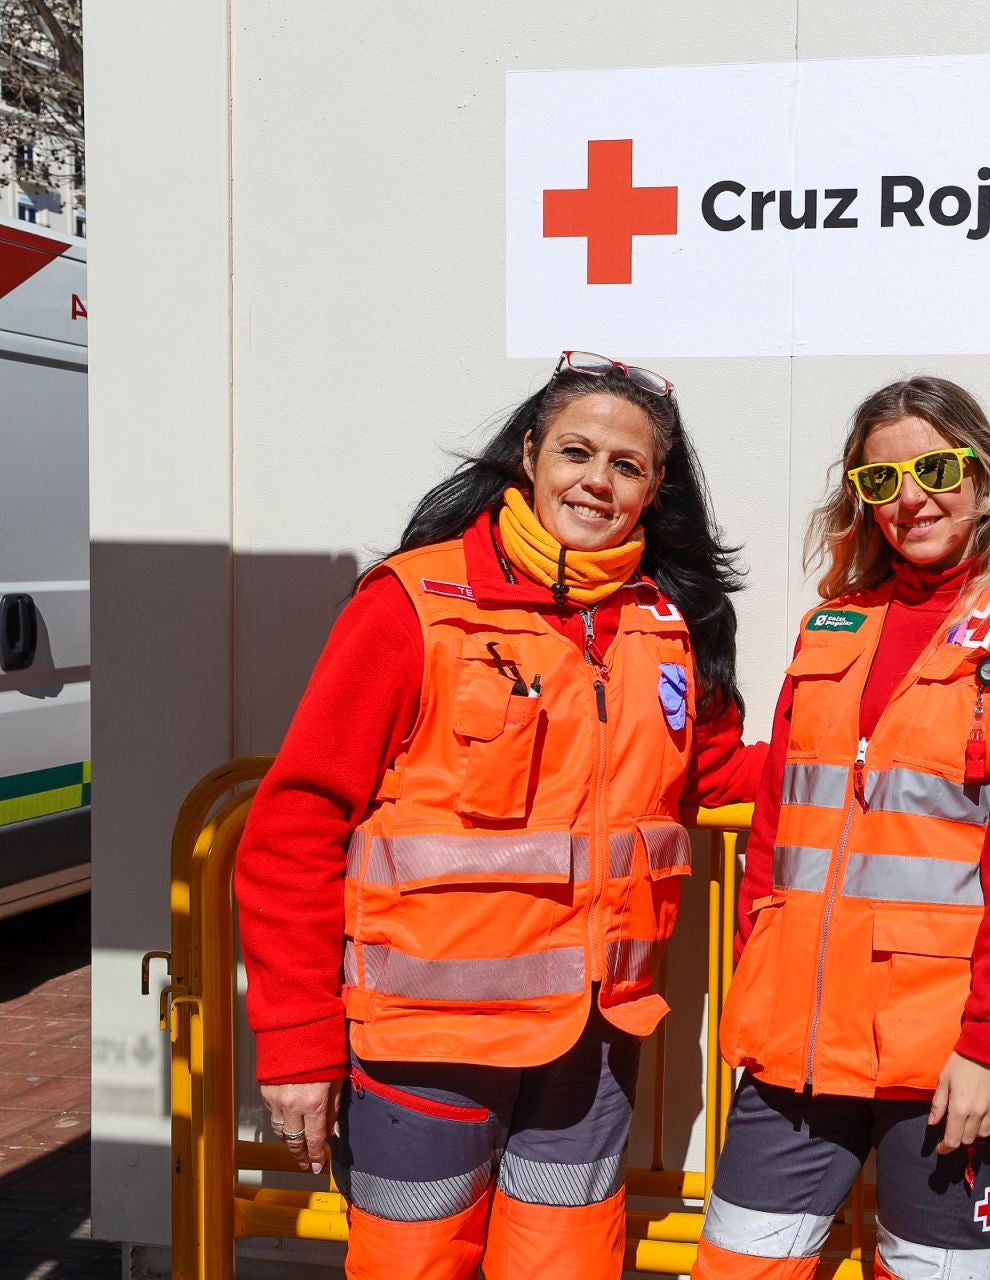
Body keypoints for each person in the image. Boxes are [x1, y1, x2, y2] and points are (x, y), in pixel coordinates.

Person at [234, 353, 764, 1280]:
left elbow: (718, 774)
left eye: (627, 466)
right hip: (427, 1048)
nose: (597, 481)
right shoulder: (413, 605)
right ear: (529, 454)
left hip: (592, 1047)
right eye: (576, 451)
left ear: (656, 489)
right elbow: (294, 827)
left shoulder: (670, 624)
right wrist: (293, 1044)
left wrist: (885, 743)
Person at [693, 377, 990, 1280]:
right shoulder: (829, 629)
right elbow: (776, 831)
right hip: (795, 1046)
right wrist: (759, 976)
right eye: (880, 482)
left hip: (948, 1058)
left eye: (935, 469)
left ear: (983, 477)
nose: (910, 498)